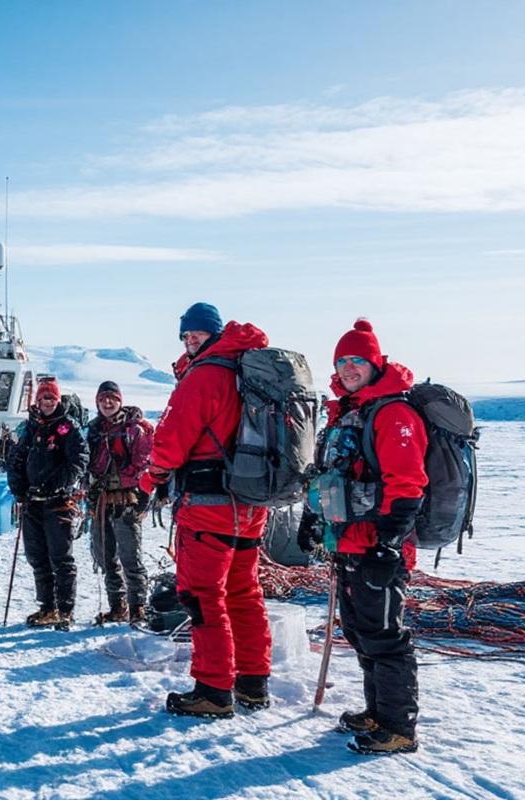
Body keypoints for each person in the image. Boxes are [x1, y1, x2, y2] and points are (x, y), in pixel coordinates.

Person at [138, 302, 273, 718]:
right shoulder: (243, 372)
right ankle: (253, 681)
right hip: (248, 504)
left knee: (202, 596)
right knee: (243, 593)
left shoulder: (205, 375)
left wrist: (150, 482)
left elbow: (171, 442)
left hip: (209, 505)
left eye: (196, 333)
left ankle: (213, 689)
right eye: (185, 335)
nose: (190, 339)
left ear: (214, 334)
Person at [298, 320, 426, 755]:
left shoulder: (393, 413)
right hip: (347, 541)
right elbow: (331, 477)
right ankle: (377, 711)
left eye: (357, 360)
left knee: (385, 634)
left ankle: (398, 727)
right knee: (359, 629)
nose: (349, 367)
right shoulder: (348, 412)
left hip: (378, 545)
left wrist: (388, 542)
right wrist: (313, 518)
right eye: (342, 361)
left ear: (375, 363)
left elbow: (408, 484)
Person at [7, 377, 89, 631]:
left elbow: (79, 460)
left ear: (57, 399)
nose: (47, 402)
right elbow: (16, 460)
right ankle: (47, 607)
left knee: (61, 558)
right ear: (37, 400)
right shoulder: (30, 428)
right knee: (37, 558)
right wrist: (18, 489)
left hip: (58, 503)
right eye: (44, 398)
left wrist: (58, 484)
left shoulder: (67, 427)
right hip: (32, 503)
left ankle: (65, 610)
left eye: (52, 398)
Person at [85, 380, 154, 623]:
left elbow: (145, 465)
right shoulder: (93, 431)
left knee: (130, 558)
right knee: (106, 557)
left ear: (120, 400)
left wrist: (143, 500)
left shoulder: (136, 429)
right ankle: (118, 607)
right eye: (103, 399)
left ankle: (138, 608)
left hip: (127, 500)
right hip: (101, 501)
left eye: (112, 398)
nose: (107, 403)